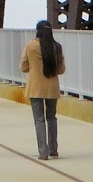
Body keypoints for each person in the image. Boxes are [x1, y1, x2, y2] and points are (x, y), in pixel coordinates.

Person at [20, 20, 66, 160]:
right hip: (52, 88)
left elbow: (23, 67)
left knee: (39, 120)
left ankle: (43, 151)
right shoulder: (57, 47)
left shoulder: (30, 46)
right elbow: (61, 70)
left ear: (37, 31)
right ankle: (53, 149)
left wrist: (34, 68)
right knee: (51, 117)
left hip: (35, 87)